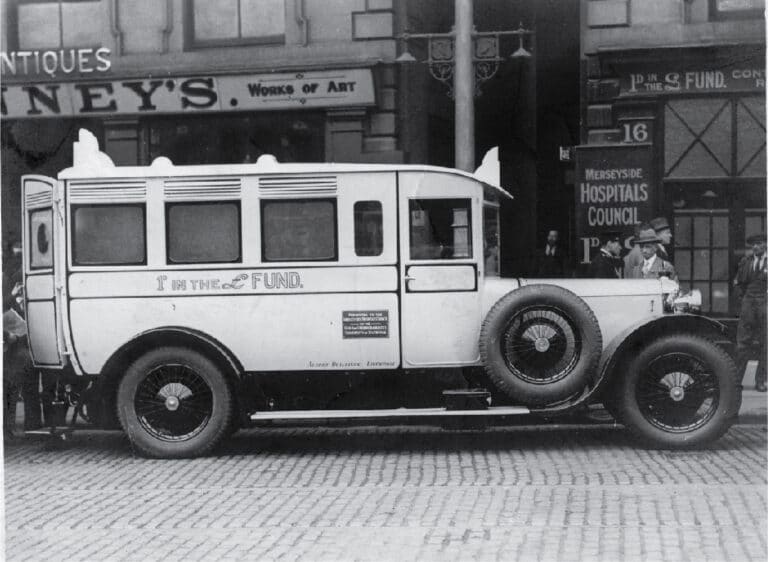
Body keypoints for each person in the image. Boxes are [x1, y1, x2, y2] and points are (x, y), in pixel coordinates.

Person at [734, 232, 767, 392]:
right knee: (742, 344)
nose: (756, 247)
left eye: (759, 243)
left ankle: (760, 380)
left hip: (765, 306)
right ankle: (737, 380)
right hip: (748, 305)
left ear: (766, 245)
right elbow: (739, 283)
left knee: (765, 343)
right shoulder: (745, 262)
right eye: (753, 244)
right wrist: (743, 301)